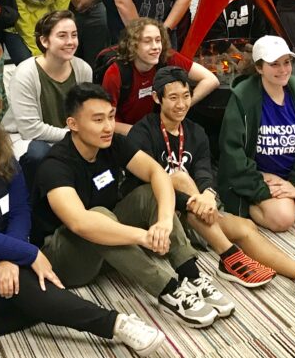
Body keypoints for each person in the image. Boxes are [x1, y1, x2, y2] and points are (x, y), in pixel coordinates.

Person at [0, 100, 165, 354]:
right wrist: (27, 253)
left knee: (35, 297)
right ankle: (116, 324)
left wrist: (11, 258)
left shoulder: (3, 160)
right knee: (31, 290)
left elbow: (19, 213)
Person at [128, 66, 295, 295]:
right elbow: (144, 187)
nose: (181, 104)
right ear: (157, 98)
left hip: (197, 216)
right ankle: (228, 257)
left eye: (186, 96)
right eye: (173, 98)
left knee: (246, 227)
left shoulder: (195, 132)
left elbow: (204, 172)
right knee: (176, 177)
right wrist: (194, 200)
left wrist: (208, 193)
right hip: (161, 219)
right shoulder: (142, 133)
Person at [31, 83, 229, 328]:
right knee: (98, 215)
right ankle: (168, 289)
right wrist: (143, 236)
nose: (108, 127)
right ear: (73, 124)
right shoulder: (55, 164)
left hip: (108, 247)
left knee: (148, 192)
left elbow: (156, 172)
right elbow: (80, 223)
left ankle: (191, 274)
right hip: (65, 259)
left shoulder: (112, 143)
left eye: (111, 117)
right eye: (97, 119)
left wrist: (165, 221)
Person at [218, 36, 295, 231]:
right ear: (259, 68)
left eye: (287, 62)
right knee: (283, 220)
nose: (283, 70)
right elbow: (232, 151)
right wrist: (259, 183)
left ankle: (287, 197)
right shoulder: (243, 96)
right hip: (263, 174)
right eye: (274, 64)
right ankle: (256, 204)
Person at [101, 17, 217, 134]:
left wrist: (182, 105)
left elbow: (211, 79)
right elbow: (105, 121)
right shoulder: (115, 73)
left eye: (158, 40)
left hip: (156, 129)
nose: (156, 47)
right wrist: (144, 133)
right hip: (124, 135)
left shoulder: (166, 57)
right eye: (147, 41)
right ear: (133, 45)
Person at [10, 11, 92, 175]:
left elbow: (86, 112)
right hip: (32, 139)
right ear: (44, 41)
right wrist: (75, 134)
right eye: (62, 36)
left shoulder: (83, 69)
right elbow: (30, 130)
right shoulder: (25, 74)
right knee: (39, 155)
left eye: (74, 35)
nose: (70, 42)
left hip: (70, 135)